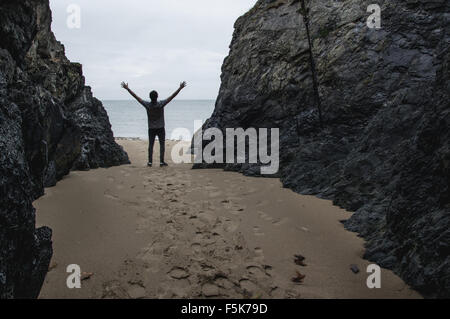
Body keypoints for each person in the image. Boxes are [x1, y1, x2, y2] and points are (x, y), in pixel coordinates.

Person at [121, 81, 187, 167]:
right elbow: (172, 97)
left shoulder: (147, 105)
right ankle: (161, 162)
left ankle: (150, 162)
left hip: (151, 128)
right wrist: (180, 88)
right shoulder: (161, 104)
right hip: (160, 128)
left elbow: (136, 97)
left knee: (151, 145)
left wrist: (127, 89)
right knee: (162, 145)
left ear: (150, 97)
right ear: (157, 97)